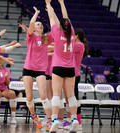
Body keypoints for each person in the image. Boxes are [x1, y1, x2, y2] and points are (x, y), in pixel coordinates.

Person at [45, 0, 79, 132]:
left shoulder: (57, 34)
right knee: (71, 96)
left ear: (61, 26)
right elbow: (66, 19)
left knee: (56, 95)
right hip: (70, 68)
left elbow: (52, 21)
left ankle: (54, 120)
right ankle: (74, 119)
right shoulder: (71, 34)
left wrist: (48, 4)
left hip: (58, 67)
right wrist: (62, 3)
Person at [22, 6, 53, 130]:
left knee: (43, 96)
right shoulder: (31, 37)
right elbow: (31, 23)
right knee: (29, 98)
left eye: (41, 24)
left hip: (40, 70)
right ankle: (34, 116)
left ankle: (49, 120)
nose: (40, 25)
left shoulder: (46, 38)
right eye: (38, 24)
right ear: (34, 28)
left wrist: (50, 12)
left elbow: (55, 29)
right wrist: (36, 13)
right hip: (28, 68)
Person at [59, 28, 88, 131]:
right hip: (70, 74)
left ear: (76, 36)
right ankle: (70, 120)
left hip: (74, 74)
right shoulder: (75, 45)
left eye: (72, 35)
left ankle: (78, 122)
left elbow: (65, 46)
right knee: (68, 99)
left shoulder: (79, 45)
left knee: (73, 99)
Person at [0, 60, 17, 124]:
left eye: (0, 61)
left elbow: (7, 84)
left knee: (12, 93)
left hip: (4, 89)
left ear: (3, 62)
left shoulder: (6, 70)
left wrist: (6, 77)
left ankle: (13, 116)